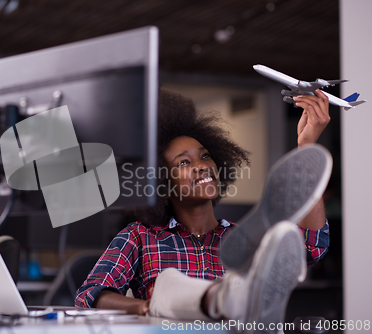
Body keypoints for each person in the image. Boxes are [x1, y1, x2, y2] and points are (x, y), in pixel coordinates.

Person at [75, 89, 331, 329]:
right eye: (184, 162)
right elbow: (90, 295)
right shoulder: (140, 237)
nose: (201, 166)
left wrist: (307, 146)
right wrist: (148, 308)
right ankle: (222, 298)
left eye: (205, 156)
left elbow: (311, 247)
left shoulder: (242, 238)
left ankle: (236, 302)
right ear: (161, 183)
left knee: (271, 248)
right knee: (168, 284)